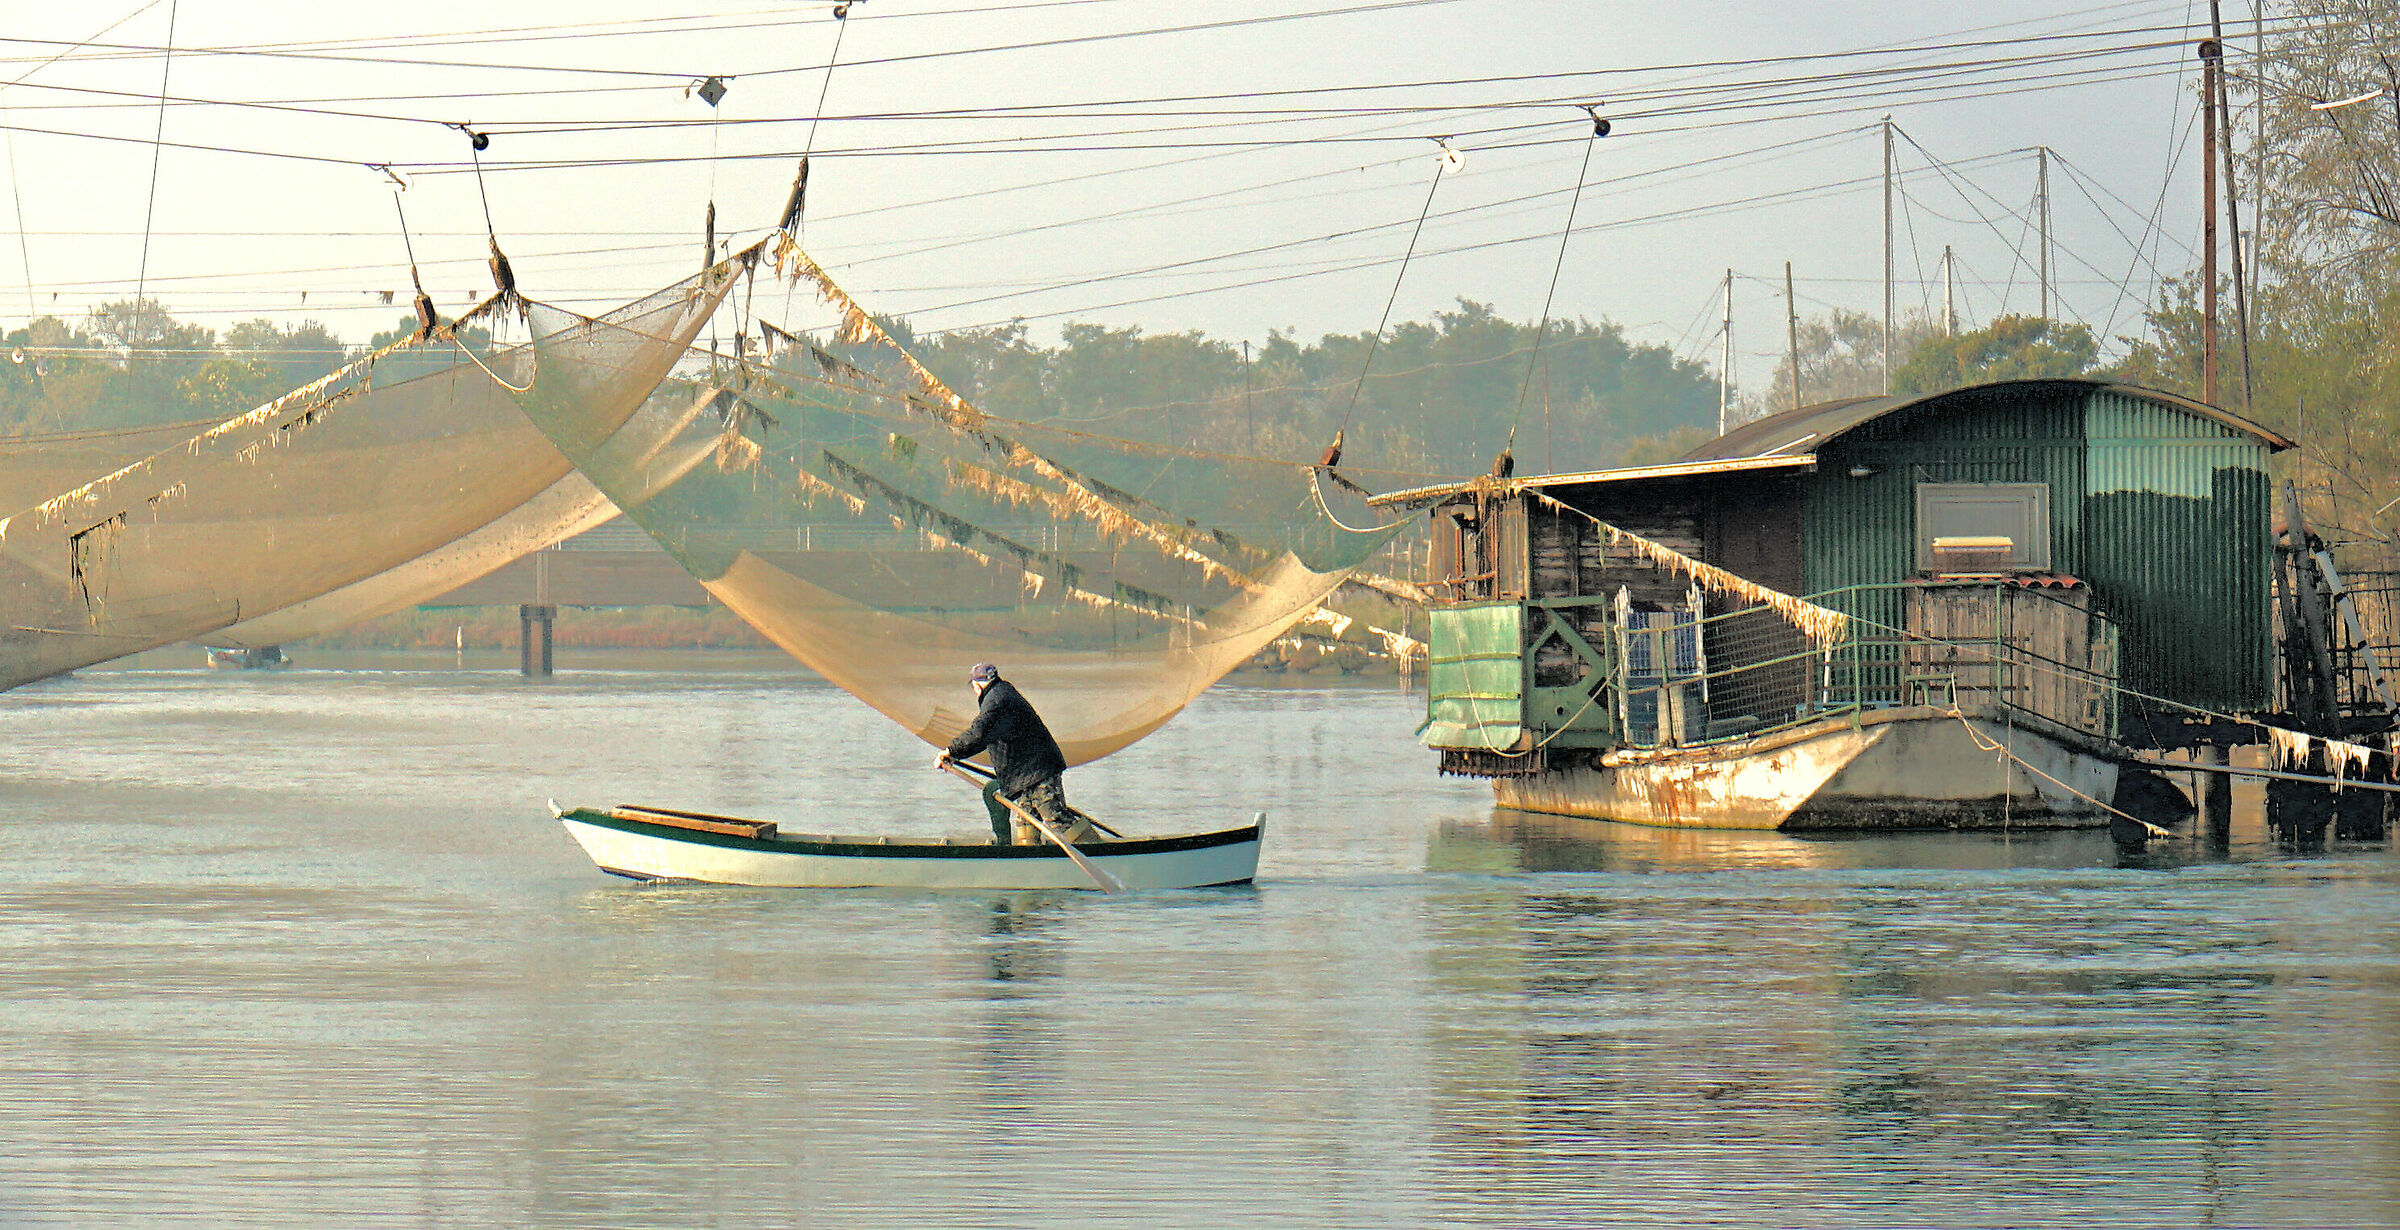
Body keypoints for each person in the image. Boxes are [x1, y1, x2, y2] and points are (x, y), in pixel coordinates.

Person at [936, 663, 1072, 845]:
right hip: (1024, 776)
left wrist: (951, 751)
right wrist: (954, 755)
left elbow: (979, 733)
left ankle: (1093, 851)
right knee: (1026, 826)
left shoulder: (996, 700)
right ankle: (1029, 864)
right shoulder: (1001, 693)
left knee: (1057, 820)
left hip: (1039, 771)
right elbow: (984, 737)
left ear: (977, 685)